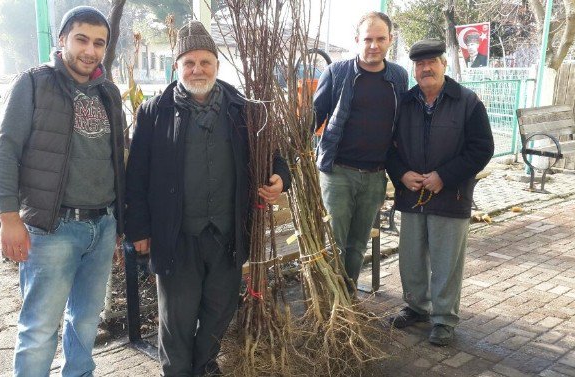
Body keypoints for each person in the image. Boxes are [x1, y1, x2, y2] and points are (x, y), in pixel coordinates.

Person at [124, 20, 291, 376]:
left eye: (205, 62)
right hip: (177, 236)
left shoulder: (244, 109)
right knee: (177, 319)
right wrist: (138, 229)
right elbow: (136, 177)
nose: (197, 70)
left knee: (219, 310)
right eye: (189, 63)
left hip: (227, 233)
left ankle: (204, 368)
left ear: (217, 65)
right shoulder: (155, 112)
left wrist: (281, 178)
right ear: (177, 66)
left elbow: (273, 156)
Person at [0, 6, 125, 375]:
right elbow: (5, 152)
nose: (90, 50)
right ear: (63, 39)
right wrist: (8, 218)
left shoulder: (109, 93)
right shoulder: (33, 83)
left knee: (85, 322)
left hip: (102, 226)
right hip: (52, 229)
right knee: (39, 329)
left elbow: (116, 160)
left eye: (99, 43)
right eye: (82, 39)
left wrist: (119, 225)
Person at [386, 39, 494, 346]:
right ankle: (417, 307)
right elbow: (388, 149)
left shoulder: (467, 101)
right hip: (411, 195)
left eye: (431, 61)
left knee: (447, 262)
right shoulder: (405, 103)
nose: (425, 68)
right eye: (419, 65)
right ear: (414, 70)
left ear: (444, 64)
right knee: (411, 259)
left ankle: (444, 318)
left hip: (451, 196)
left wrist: (444, 176)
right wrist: (401, 173)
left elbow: (482, 148)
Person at [313, 11, 408, 292]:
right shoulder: (338, 72)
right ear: (357, 40)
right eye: (368, 39)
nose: (374, 45)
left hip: (375, 176)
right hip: (338, 172)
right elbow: (313, 117)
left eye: (380, 39)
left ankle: (348, 296)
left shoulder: (398, 77)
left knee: (357, 246)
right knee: (333, 244)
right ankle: (331, 301)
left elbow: (401, 124)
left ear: (390, 40)